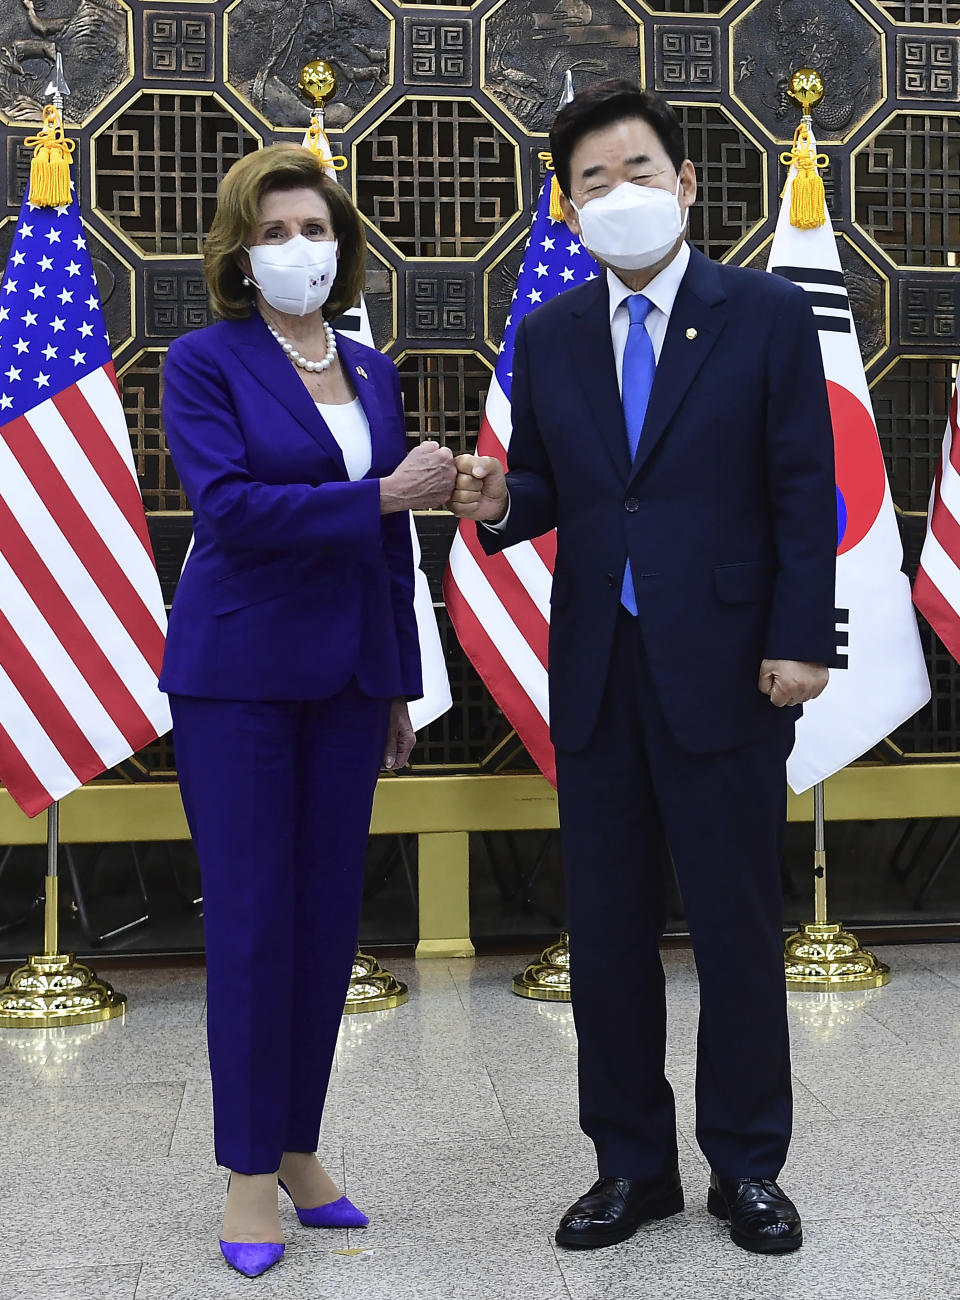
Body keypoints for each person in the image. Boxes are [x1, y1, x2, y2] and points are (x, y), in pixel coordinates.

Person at [450, 82, 836, 1256]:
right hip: (599, 671)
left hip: (730, 667)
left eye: (639, 171)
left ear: (688, 184)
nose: (619, 195)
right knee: (607, 932)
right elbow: (561, 490)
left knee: (733, 927)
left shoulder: (764, 312)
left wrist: (800, 637)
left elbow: (801, 489)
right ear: (566, 209)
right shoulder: (550, 330)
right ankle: (631, 1165)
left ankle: (748, 1168)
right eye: (592, 183)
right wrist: (495, 503)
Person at [160, 143, 456, 1278]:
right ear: (240, 253)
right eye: (275, 233)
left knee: (328, 921)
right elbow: (231, 512)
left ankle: (296, 1146)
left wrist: (393, 682)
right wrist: (383, 489)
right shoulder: (203, 360)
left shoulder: (371, 371)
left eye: (316, 230)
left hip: (346, 681)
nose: (300, 250)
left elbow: (392, 546)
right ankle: (245, 1174)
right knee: (250, 924)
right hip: (237, 679)